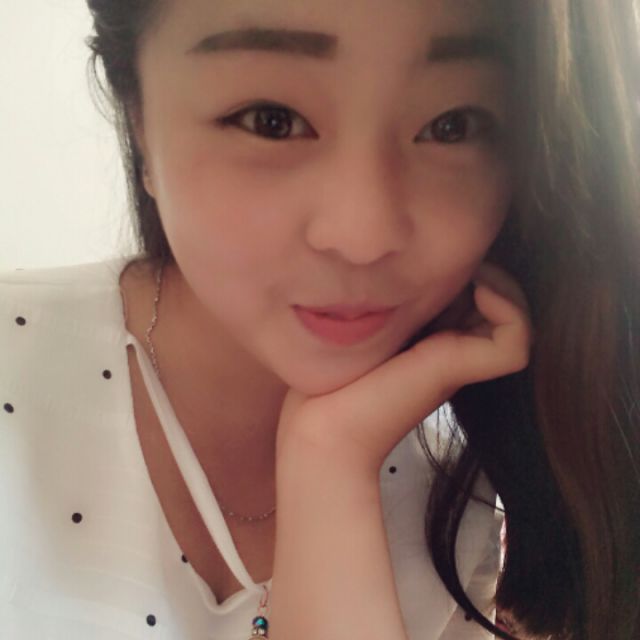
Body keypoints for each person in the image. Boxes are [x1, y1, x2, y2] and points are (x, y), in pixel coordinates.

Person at [0, 0, 638, 638]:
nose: (364, 235)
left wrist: (330, 462)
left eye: (453, 125)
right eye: (271, 121)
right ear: (139, 119)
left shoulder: (491, 474)